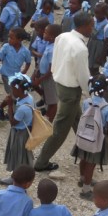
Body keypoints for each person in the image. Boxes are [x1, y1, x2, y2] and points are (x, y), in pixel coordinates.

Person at [34, 12, 92, 172]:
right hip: (71, 91)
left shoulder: (63, 36)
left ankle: (87, 151)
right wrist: (90, 92)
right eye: (91, 25)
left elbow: (56, 58)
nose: (92, 29)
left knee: (78, 120)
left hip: (59, 82)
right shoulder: (80, 48)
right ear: (84, 26)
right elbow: (83, 75)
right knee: (60, 130)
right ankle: (41, 162)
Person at [70, 76, 108, 200]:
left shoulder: (86, 102)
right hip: (97, 140)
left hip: (84, 136)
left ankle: (82, 178)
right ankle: (86, 189)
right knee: (91, 164)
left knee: (83, 159)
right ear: (105, 91)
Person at [0, 73, 35, 185]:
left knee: (17, 155)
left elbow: (13, 122)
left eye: (13, 89)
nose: (12, 91)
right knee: (22, 156)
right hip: (25, 130)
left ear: (20, 90)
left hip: (20, 133)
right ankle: (20, 177)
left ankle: (15, 179)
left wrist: (9, 105)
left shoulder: (23, 109)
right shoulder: (29, 98)